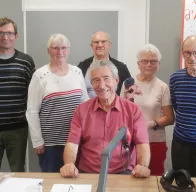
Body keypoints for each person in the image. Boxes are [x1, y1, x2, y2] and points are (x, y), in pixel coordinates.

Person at [60, 60, 150, 178]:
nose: (102, 85)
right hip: (88, 173)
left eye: (106, 78)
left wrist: (142, 166)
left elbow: (142, 144)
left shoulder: (133, 110)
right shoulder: (81, 110)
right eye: (96, 80)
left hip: (124, 173)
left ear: (116, 80)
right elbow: (72, 144)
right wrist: (69, 164)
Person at [26, 33, 89, 172]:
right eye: (55, 48)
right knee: (53, 182)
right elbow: (32, 111)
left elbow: (85, 102)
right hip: (51, 145)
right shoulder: (40, 76)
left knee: (77, 182)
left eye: (63, 48)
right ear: (48, 50)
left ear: (69, 50)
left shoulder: (77, 72)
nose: (60, 52)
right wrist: (37, 141)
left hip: (76, 141)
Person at [121, 44, 174, 175]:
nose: (149, 64)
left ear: (159, 63)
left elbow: (169, 118)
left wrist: (151, 124)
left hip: (154, 141)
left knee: (154, 179)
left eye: (153, 61)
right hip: (131, 141)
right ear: (138, 63)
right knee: (130, 178)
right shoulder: (128, 84)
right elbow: (120, 111)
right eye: (144, 61)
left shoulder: (162, 87)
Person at [0, 17, 35, 172]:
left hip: (17, 128)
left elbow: (33, 94)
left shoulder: (26, 61)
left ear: (16, 36)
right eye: (1, 33)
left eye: (9, 33)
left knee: (17, 171)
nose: (5, 37)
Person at [170, 35, 196, 177]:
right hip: (180, 143)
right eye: (187, 53)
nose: (192, 57)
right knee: (181, 184)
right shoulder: (175, 78)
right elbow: (176, 106)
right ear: (183, 54)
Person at [78, 31, 131, 98]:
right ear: (91, 45)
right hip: (88, 107)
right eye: (96, 42)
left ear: (109, 44)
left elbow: (129, 92)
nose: (100, 45)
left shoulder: (121, 68)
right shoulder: (82, 67)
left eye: (103, 42)